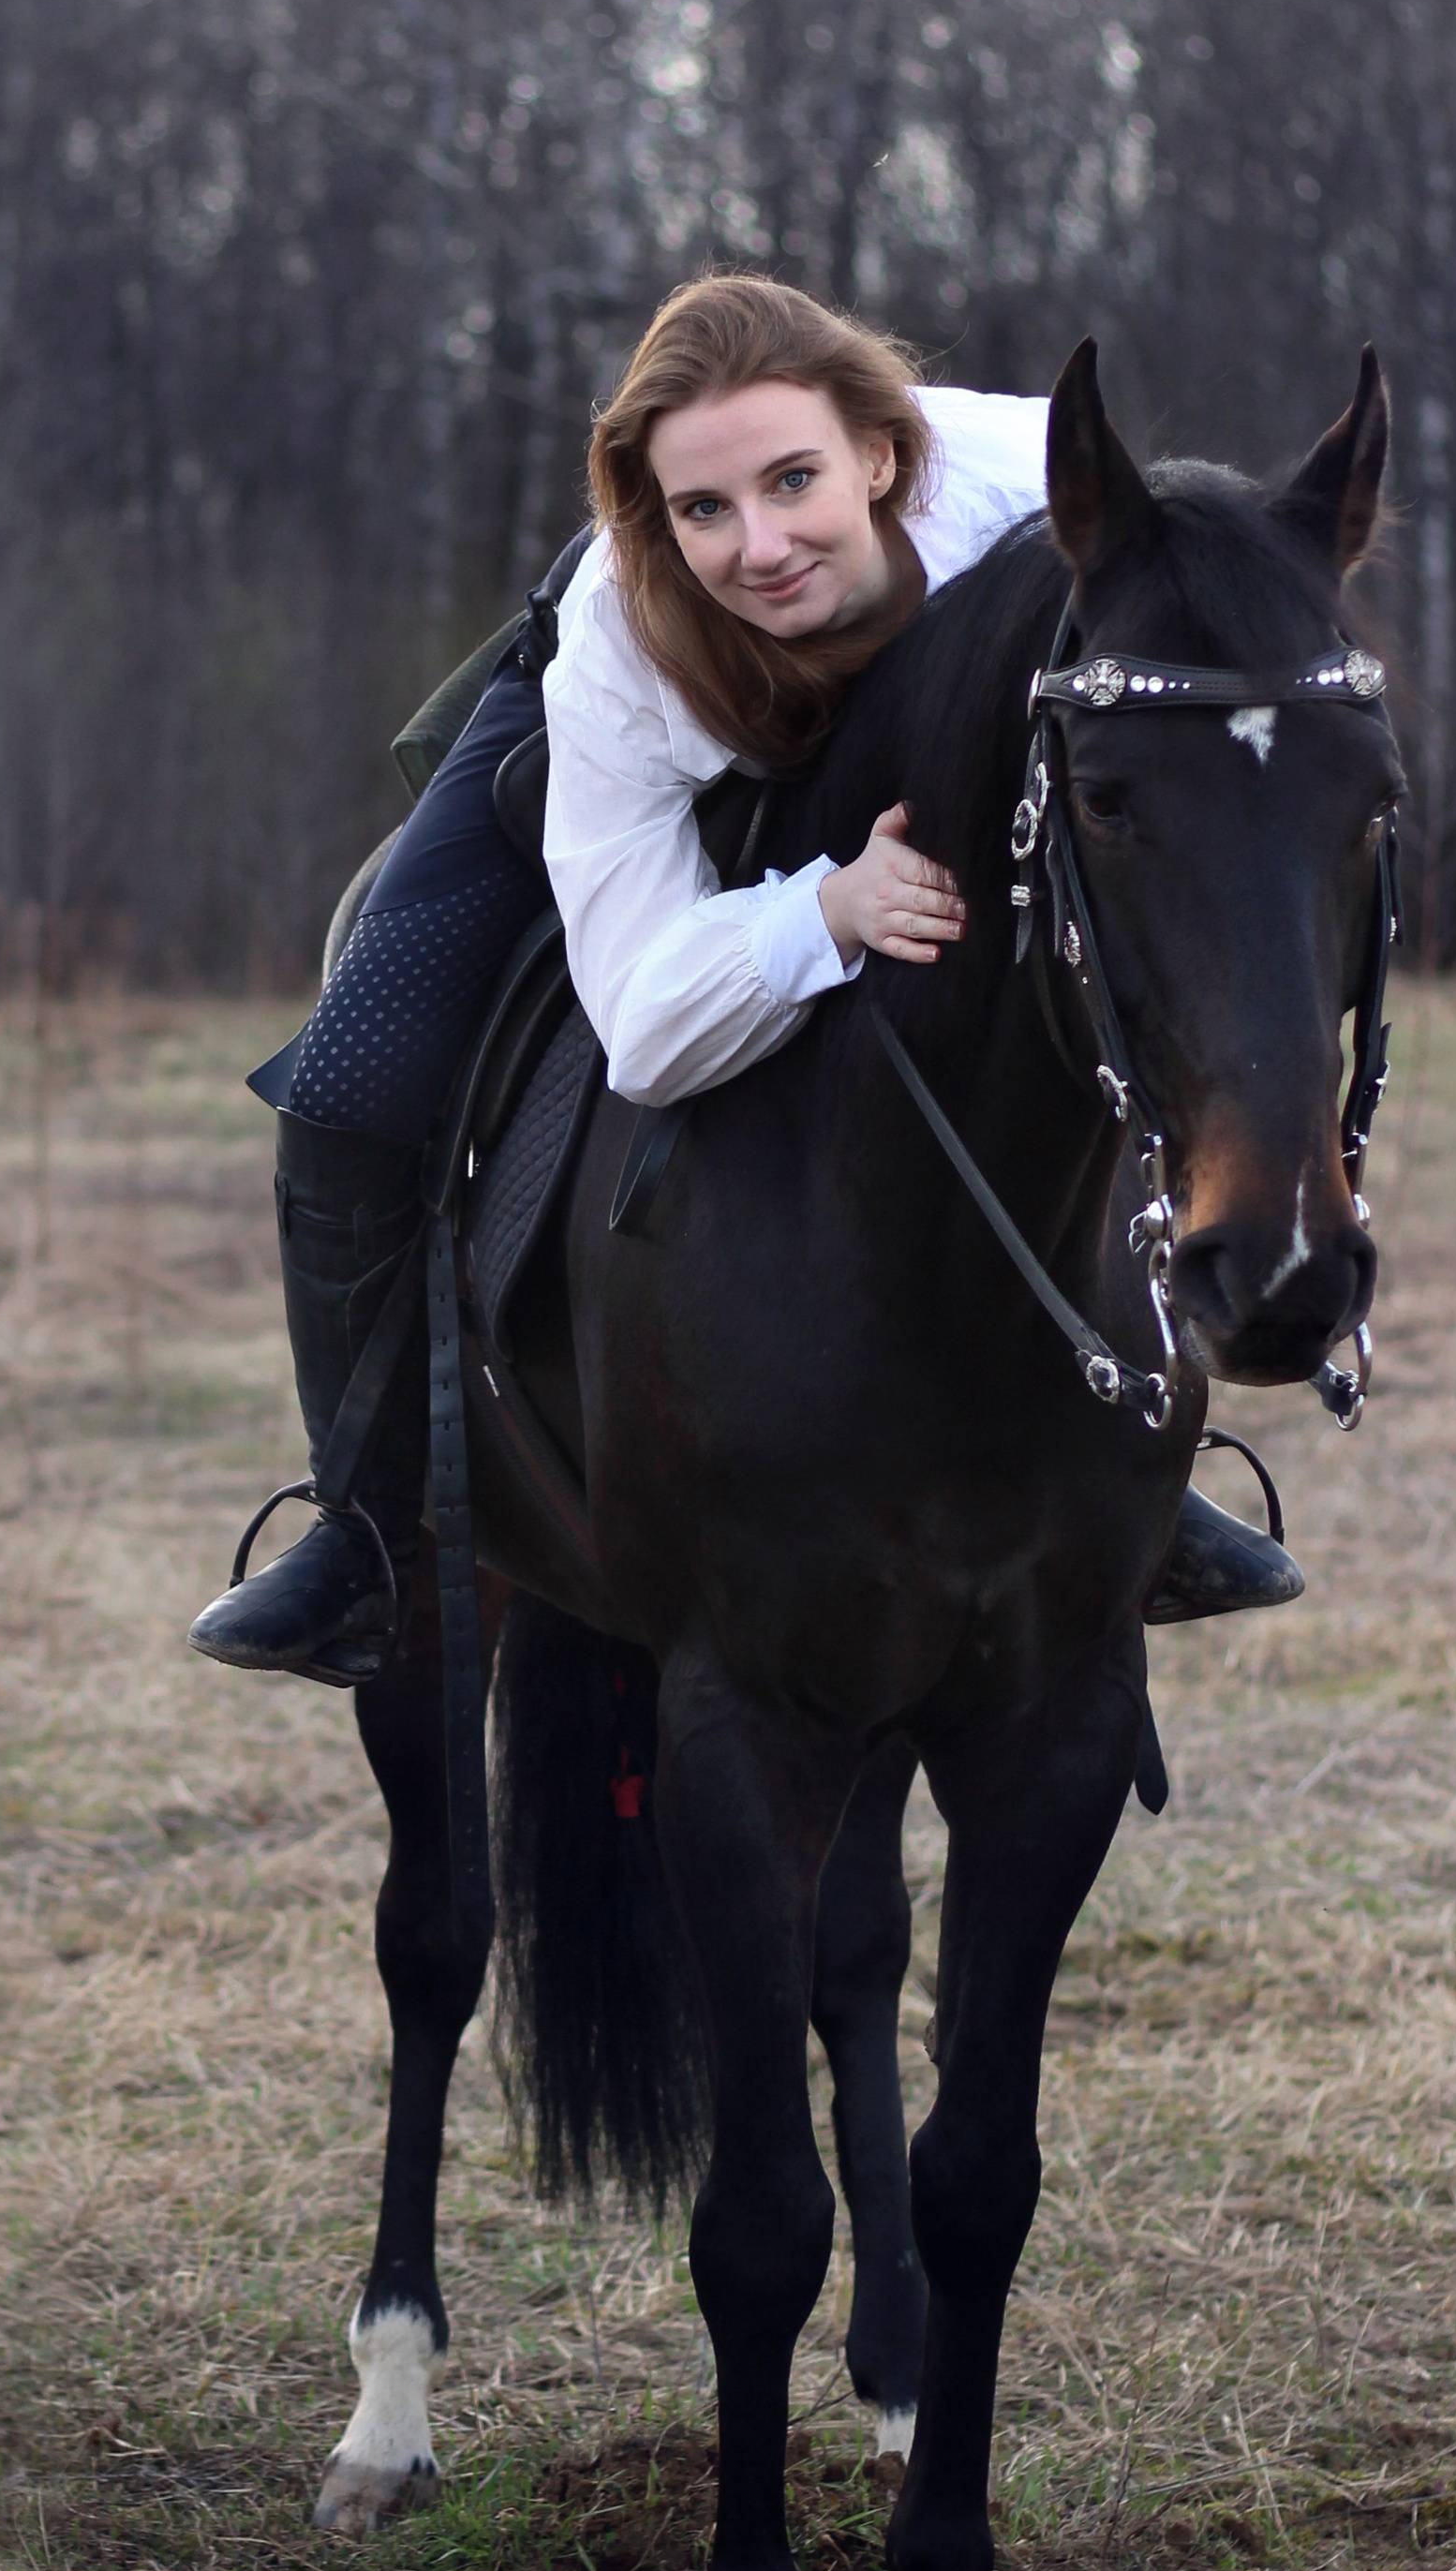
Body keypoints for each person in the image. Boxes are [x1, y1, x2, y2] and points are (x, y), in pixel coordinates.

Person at [190, 274, 1300, 1685]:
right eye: (704, 508)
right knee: (350, 1079)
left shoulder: (1039, 498)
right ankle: (369, 1526)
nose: (762, 546)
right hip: (645, 750)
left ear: (885, 458)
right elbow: (647, 1021)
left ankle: (1143, 1460)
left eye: (795, 482)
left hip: (945, 769)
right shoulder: (624, 642)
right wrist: (823, 914)